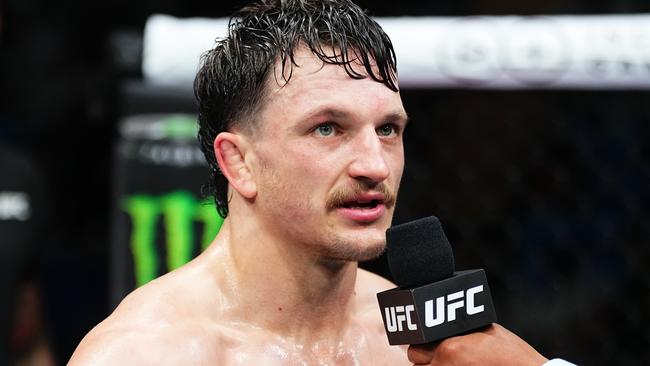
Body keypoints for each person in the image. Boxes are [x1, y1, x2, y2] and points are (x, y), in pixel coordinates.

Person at [70, 0, 570, 364]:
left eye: (388, 129)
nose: (374, 165)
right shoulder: (148, 354)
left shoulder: (422, 345)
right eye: (328, 128)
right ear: (239, 162)